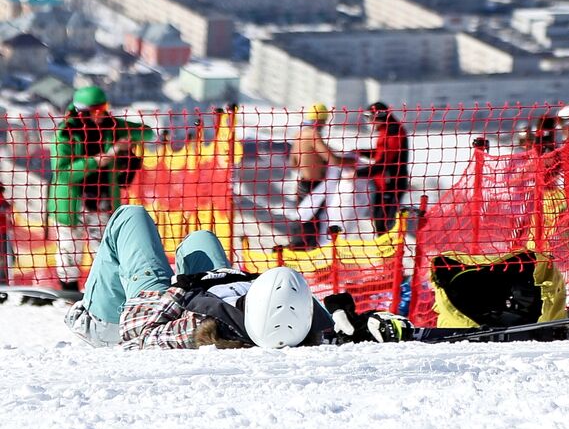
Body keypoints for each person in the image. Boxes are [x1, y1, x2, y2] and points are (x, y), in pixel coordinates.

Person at [64, 204, 330, 350]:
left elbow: (141, 336)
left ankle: (94, 320)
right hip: (206, 295)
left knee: (130, 216)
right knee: (201, 240)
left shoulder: (206, 326)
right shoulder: (303, 326)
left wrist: (181, 289)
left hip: (140, 314)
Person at [46, 85, 155, 292]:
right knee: (69, 249)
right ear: (82, 112)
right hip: (69, 203)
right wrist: (104, 158)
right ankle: (69, 291)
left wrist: (129, 139)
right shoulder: (65, 134)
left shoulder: (112, 126)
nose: (102, 114)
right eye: (96, 110)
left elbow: (147, 133)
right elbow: (64, 173)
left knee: (104, 249)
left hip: (103, 199)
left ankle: (103, 292)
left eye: (104, 108)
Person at [288, 103, 356, 248]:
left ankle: (297, 250)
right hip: (314, 185)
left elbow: (293, 163)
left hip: (302, 184)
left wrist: (311, 161)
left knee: (302, 220)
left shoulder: (298, 135)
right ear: (321, 121)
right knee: (311, 225)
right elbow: (333, 160)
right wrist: (352, 160)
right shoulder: (313, 135)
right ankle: (306, 255)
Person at [355, 102, 410, 235]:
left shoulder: (393, 132)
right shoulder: (385, 130)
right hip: (382, 183)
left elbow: (385, 162)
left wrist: (358, 173)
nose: (369, 122)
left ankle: (389, 252)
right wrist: (361, 152)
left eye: (370, 117)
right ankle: (383, 249)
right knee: (378, 219)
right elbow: (381, 153)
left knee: (383, 222)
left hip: (392, 184)